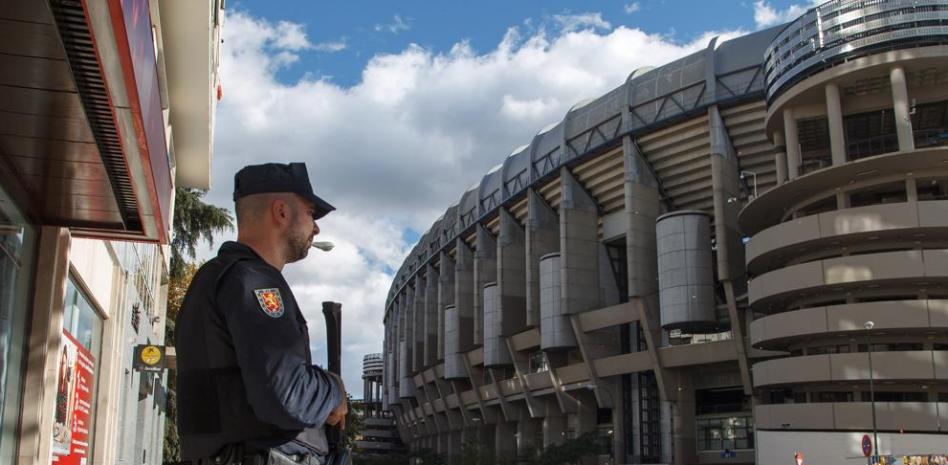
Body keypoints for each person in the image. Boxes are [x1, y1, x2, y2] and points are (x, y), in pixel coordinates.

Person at [176, 162, 348, 465]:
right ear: (281, 212)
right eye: (310, 213)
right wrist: (334, 389)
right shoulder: (255, 282)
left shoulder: (217, 278)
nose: (316, 227)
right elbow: (287, 396)